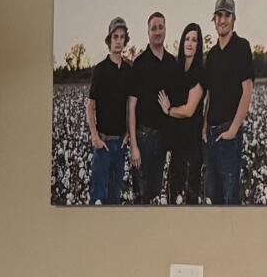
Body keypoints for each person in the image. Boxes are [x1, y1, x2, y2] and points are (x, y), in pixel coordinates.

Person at [197, 0, 256, 206]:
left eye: (226, 15)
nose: (222, 20)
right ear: (214, 20)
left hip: (229, 133)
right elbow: (210, 93)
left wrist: (233, 129)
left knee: (231, 199)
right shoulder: (212, 54)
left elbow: (247, 89)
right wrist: (204, 126)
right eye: (218, 16)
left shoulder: (242, 47)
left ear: (233, 19)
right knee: (213, 196)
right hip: (210, 134)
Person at [131, 12, 188, 205]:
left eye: (160, 27)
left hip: (164, 138)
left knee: (155, 192)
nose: (157, 32)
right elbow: (131, 107)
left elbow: (179, 102)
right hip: (144, 137)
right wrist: (134, 145)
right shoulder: (139, 64)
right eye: (153, 28)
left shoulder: (173, 63)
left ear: (165, 29)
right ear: (147, 32)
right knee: (142, 194)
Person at [148, 14, 205, 204]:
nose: (190, 43)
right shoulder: (177, 69)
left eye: (194, 40)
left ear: (199, 46)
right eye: (187, 38)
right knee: (173, 196)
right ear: (182, 42)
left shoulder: (199, 73)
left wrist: (169, 110)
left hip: (192, 146)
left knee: (189, 198)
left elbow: (189, 110)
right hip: (177, 147)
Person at [83, 17, 139, 204]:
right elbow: (90, 106)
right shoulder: (100, 70)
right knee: (98, 196)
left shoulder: (129, 71)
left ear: (125, 41)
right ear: (109, 40)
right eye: (115, 36)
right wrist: (95, 137)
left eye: (122, 37)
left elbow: (131, 107)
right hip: (103, 144)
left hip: (120, 146)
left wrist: (128, 136)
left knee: (115, 197)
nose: (118, 40)